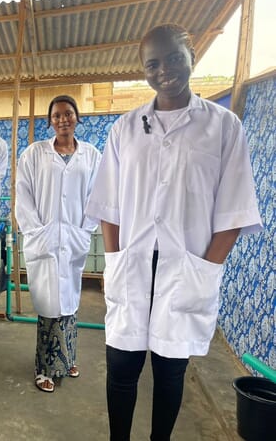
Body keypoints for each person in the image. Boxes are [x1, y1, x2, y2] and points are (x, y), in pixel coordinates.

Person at [85, 24, 263, 440]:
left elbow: (234, 212)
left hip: (185, 270)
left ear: (191, 56)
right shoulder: (124, 130)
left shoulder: (223, 127)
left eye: (173, 58)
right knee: (122, 368)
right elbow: (108, 207)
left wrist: (203, 269)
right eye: (152, 63)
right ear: (143, 69)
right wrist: (114, 261)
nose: (164, 70)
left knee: (169, 372)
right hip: (131, 266)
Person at [16, 95, 101, 393]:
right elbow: (23, 194)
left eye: (68, 114)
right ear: (50, 121)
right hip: (45, 239)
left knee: (70, 301)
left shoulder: (91, 155)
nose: (63, 119)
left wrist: (83, 231)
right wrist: (36, 232)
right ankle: (44, 368)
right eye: (56, 116)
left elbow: (97, 196)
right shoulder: (34, 153)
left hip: (73, 239)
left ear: (77, 117)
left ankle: (68, 359)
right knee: (49, 305)